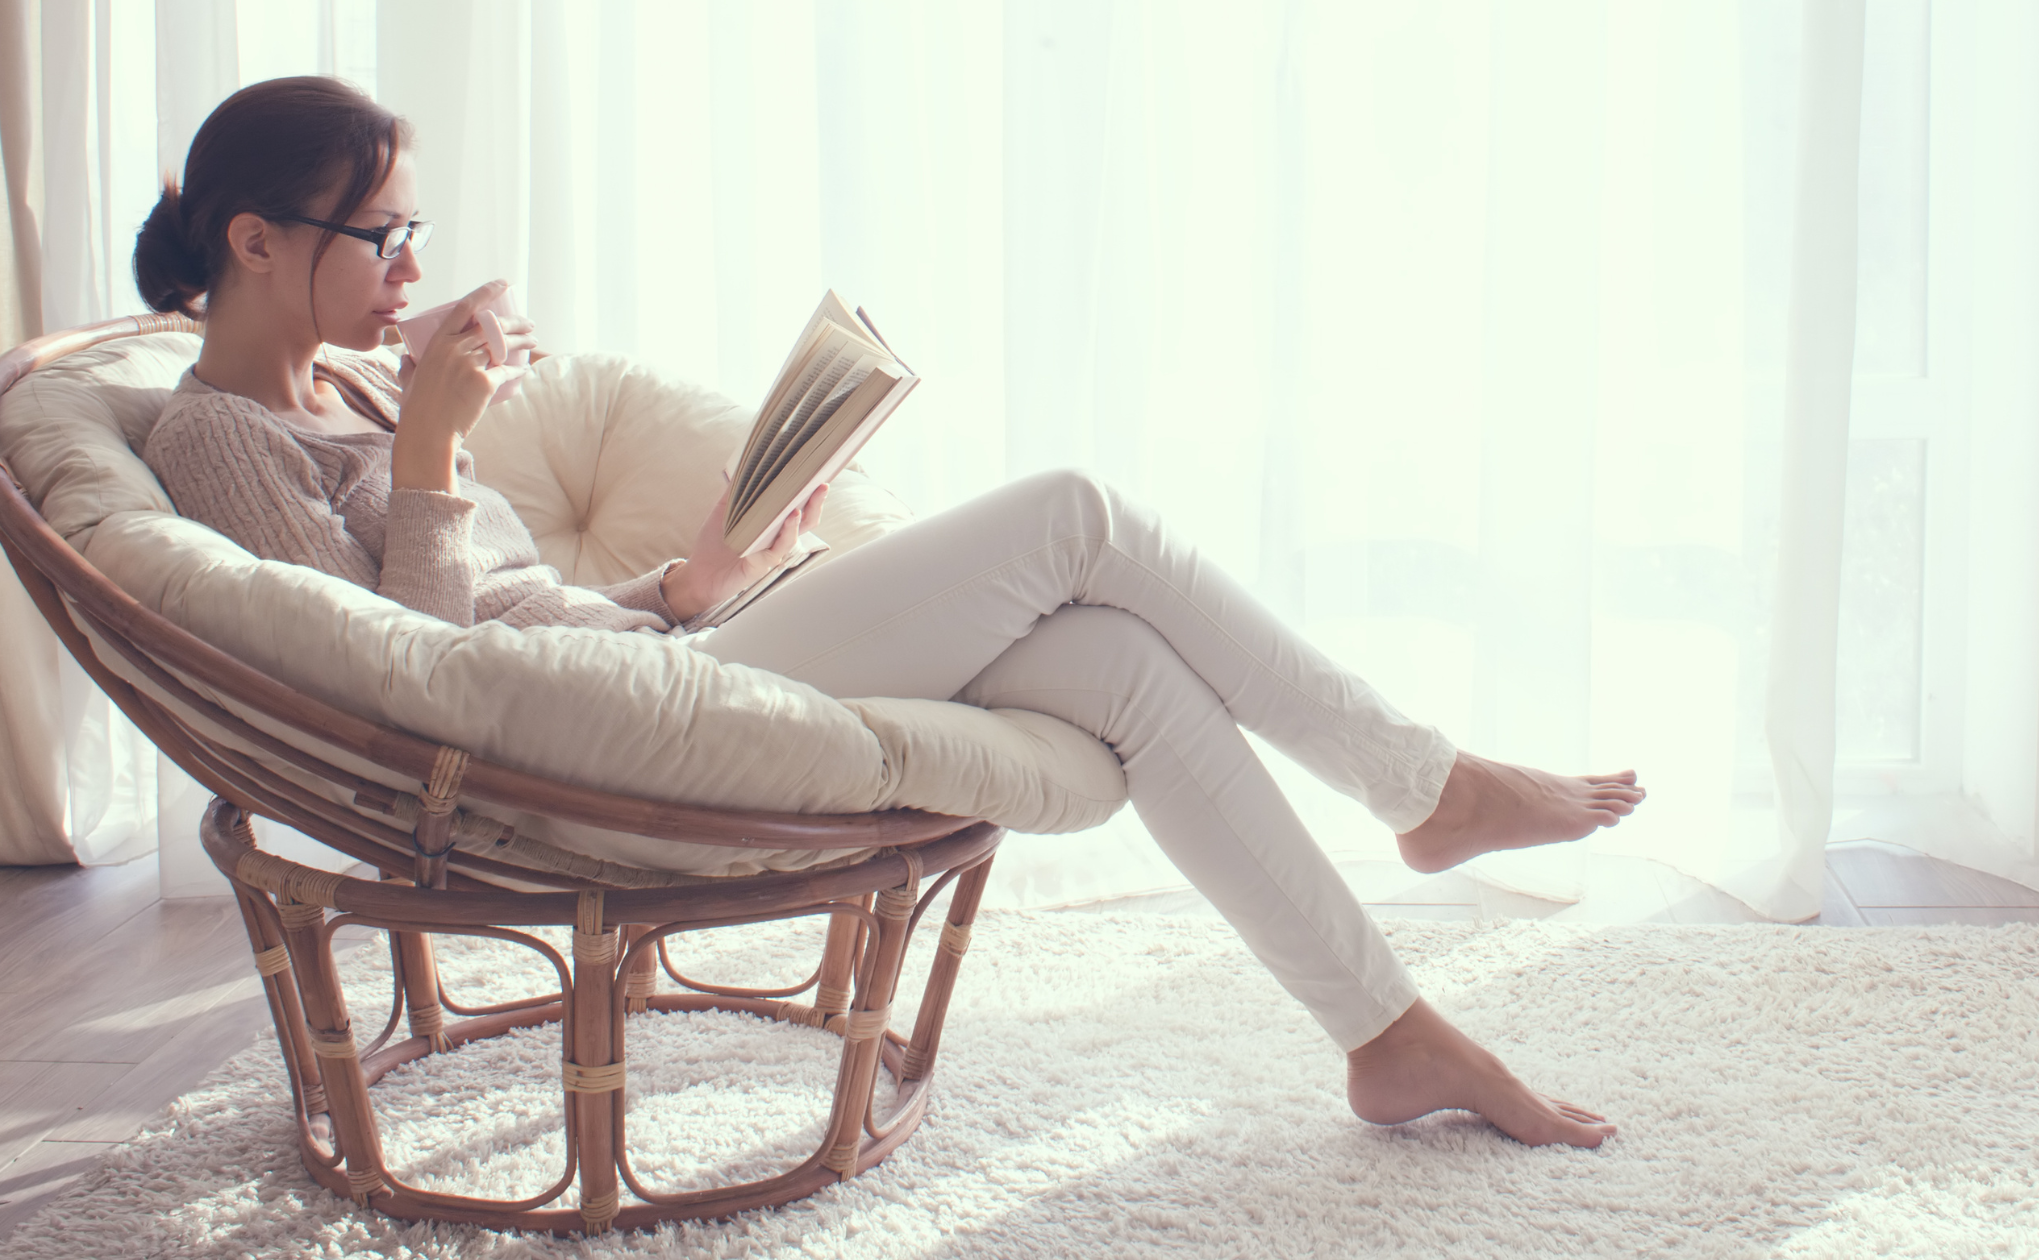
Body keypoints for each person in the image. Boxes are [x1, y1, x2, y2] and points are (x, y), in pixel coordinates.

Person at [136, 77, 1645, 1148]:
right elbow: (401, 685)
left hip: (646, 673)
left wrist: (691, 583)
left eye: (413, 230)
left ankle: (1388, 1035)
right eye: (380, 236)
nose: (411, 269)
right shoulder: (219, 437)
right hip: (578, 758)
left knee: (1118, 657)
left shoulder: (354, 390)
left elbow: (509, 615)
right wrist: (432, 452)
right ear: (256, 242)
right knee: (1077, 513)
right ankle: (1426, 787)